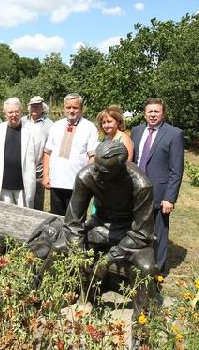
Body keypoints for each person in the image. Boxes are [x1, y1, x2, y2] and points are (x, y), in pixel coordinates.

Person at [64, 140, 157, 314]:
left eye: (103, 171)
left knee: (146, 268)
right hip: (99, 227)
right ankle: (48, 300)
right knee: (60, 247)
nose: (96, 173)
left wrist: (107, 259)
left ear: (120, 169)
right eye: (95, 166)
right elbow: (73, 222)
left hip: (129, 235)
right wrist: (78, 253)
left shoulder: (141, 185)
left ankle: (143, 323)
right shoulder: (86, 176)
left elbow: (143, 233)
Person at [131, 98, 184, 274]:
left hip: (159, 193)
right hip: (137, 189)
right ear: (144, 114)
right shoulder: (136, 131)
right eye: (150, 111)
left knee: (159, 232)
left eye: (156, 111)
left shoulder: (174, 134)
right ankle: (137, 263)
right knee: (137, 227)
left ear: (163, 114)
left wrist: (170, 198)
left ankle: (157, 270)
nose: (153, 115)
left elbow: (177, 170)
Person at [42, 93, 99, 216]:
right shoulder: (56, 126)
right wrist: (45, 175)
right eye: (68, 107)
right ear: (64, 108)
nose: (71, 110)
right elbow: (47, 152)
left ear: (81, 109)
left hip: (77, 184)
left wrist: (87, 180)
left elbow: (92, 157)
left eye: (75, 107)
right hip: (56, 181)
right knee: (56, 218)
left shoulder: (89, 127)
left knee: (75, 220)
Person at [0, 98, 38, 208]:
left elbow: (37, 155)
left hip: (23, 182)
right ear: (4, 113)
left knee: (24, 212)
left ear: (21, 112)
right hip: (4, 181)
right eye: (10, 112)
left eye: (17, 111)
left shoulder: (32, 129)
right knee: (6, 212)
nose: (14, 115)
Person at [21, 96, 53, 211]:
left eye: (37, 106)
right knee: (22, 200)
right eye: (32, 106)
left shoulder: (49, 124)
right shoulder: (22, 121)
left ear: (43, 108)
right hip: (22, 168)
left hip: (38, 170)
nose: (34, 108)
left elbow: (50, 149)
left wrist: (46, 172)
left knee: (37, 202)